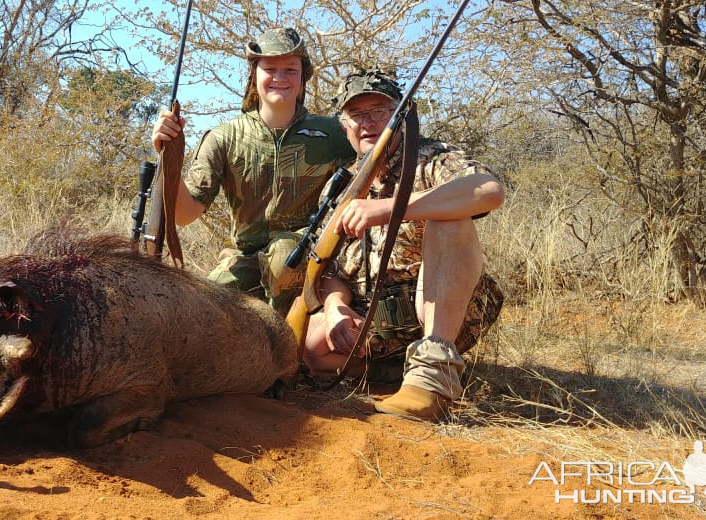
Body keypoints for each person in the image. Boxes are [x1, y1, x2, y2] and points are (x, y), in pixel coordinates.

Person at [301, 70, 505, 421]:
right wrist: (335, 307)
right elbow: (329, 268)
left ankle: (434, 371)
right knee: (310, 344)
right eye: (357, 115)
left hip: (442, 309)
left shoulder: (432, 158)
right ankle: (395, 373)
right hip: (376, 321)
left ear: (400, 117)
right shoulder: (341, 185)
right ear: (344, 125)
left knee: (450, 220)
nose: (368, 123)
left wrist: (388, 209)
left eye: (379, 112)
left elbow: (489, 190)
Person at [151, 28, 355, 313]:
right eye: (270, 68)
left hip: (309, 258)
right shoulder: (224, 137)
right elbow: (185, 215)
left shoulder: (335, 133)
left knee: (285, 256)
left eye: (290, 70)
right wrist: (167, 159)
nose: (280, 78)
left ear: (303, 77)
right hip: (245, 259)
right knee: (198, 310)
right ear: (254, 75)